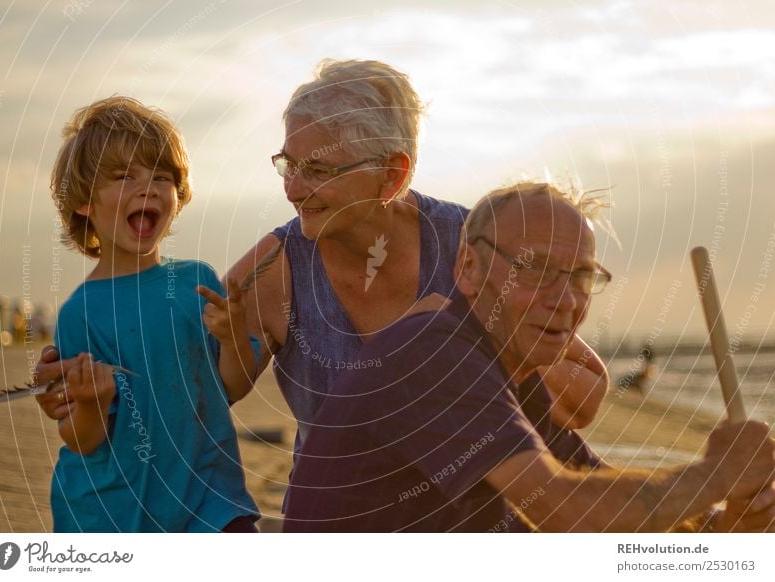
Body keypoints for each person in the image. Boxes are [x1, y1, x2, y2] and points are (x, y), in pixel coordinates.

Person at [36, 59, 607, 491]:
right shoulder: (273, 270)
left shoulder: (471, 246)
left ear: (392, 174)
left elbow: (585, 396)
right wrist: (88, 383)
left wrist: (454, 346)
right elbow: (194, 402)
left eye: (317, 170)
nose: (292, 186)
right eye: (288, 163)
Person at [282, 182, 775, 532]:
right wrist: (715, 475)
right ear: (468, 267)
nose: (564, 300)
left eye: (581, 275)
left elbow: (614, 512)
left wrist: (733, 522)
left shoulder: (516, 380)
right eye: (534, 268)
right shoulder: (433, 353)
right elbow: (566, 511)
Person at [45, 96, 260, 532]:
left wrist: (234, 336)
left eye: (162, 176)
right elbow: (82, 438)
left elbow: (233, 386)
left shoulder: (195, 282)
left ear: (177, 196)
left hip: (210, 500)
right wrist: (91, 400)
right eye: (125, 176)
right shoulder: (80, 313)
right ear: (84, 202)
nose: (149, 188)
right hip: (114, 513)